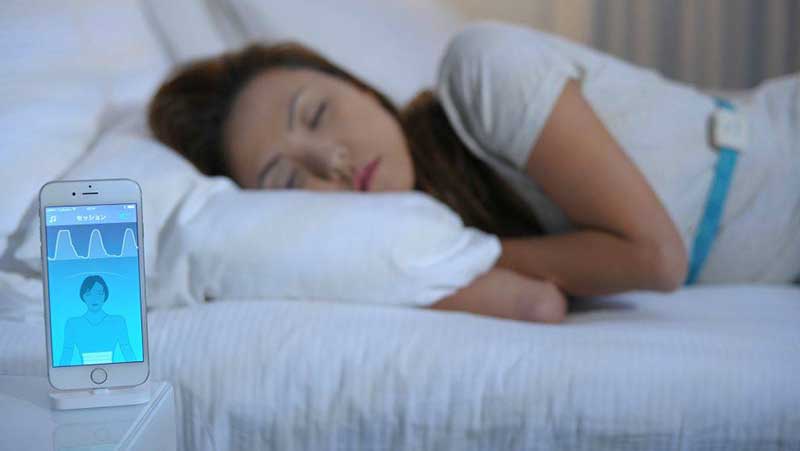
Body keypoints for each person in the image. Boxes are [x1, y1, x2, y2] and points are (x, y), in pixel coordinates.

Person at [148, 22, 800, 323]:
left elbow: (656, 258)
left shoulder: (482, 69)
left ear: (364, 90)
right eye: (287, 180)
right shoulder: (428, 223)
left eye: (318, 114)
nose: (330, 161)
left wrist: (465, 260)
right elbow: (541, 303)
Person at [59, 275, 137, 366]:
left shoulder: (118, 321)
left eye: (99, 293)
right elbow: (67, 353)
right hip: (80, 375)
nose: (94, 298)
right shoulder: (73, 324)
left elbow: (127, 350)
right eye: (89, 294)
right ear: (83, 296)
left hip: (115, 374)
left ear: (105, 295)